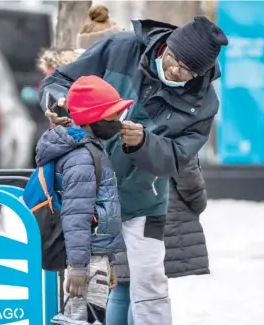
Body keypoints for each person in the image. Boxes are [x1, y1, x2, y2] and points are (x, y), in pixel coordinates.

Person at [39, 16, 228, 325]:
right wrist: (61, 104)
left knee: (150, 280)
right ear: (166, 45)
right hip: (92, 191)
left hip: (147, 202)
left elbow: (179, 157)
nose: (174, 71)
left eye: (186, 70)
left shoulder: (203, 102)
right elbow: (58, 81)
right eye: (173, 59)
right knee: (92, 278)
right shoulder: (120, 48)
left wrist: (144, 143)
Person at [36, 75, 132, 323]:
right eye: (112, 116)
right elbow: (76, 215)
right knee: (82, 318)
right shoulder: (81, 157)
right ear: (92, 118)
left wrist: (107, 261)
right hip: (86, 259)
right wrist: (79, 268)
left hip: (94, 256)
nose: (117, 122)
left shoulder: (89, 148)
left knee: (88, 315)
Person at [107, 156, 209, 325]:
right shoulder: (166, 130)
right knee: (146, 289)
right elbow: (186, 170)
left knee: (121, 287)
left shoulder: (110, 131)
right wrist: (198, 201)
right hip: (155, 210)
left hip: (118, 208)